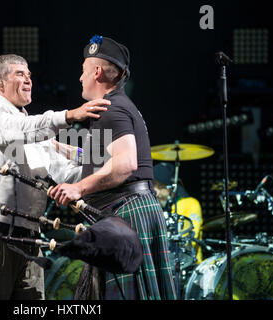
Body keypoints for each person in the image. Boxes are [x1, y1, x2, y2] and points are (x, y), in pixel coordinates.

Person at [0, 53, 110, 300]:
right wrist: (69, 115)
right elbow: (19, 132)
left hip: (31, 240)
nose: (28, 80)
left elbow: (68, 171)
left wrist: (107, 166)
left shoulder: (33, 130)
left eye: (29, 75)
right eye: (20, 74)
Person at [49, 35, 177, 300]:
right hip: (131, 213)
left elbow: (125, 163)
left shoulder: (112, 109)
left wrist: (78, 188)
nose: (80, 78)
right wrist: (55, 147)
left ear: (97, 72)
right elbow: (98, 157)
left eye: (83, 72)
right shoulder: (116, 107)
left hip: (127, 214)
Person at [153, 162, 203, 265]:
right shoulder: (155, 208)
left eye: (160, 186)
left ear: (172, 187)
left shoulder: (191, 204)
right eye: (153, 185)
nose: (156, 192)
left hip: (190, 268)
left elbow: (190, 241)